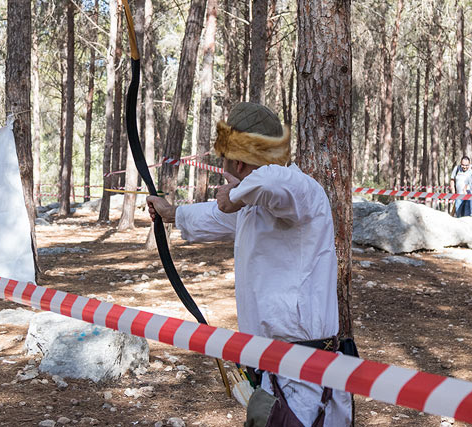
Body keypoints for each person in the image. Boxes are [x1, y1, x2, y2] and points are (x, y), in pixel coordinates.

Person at [147, 102, 352, 426]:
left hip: (305, 377)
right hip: (272, 370)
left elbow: (273, 183)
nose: (224, 163)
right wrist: (170, 213)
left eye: (228, 157)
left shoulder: (301, 192)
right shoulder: (253, 206)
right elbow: (215, 216)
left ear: (239, 161)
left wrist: (236, 194)